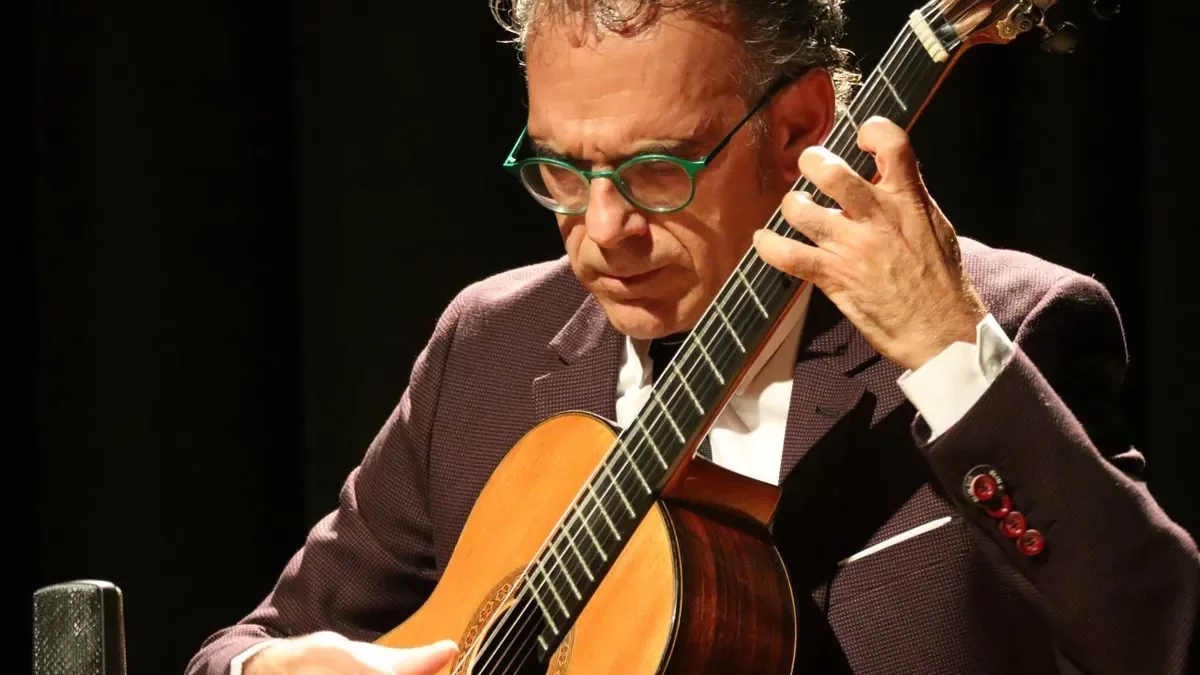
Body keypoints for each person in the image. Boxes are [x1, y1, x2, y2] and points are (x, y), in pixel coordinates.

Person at [185, 1, 1199, 674]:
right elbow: (243, 645)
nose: (604, 229)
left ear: (802, 127)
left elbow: (1156, 635)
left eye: (658, 172)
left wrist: (945, 350)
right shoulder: (487, 345)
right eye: (559, 172)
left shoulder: (1014, 327)